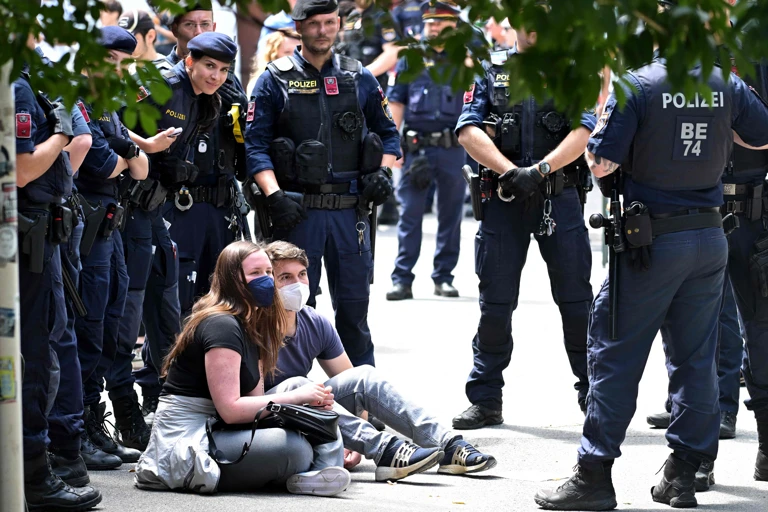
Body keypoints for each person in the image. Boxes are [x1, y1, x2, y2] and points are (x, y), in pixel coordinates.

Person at [534, 3, 768, 509]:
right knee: (696, 359)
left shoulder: (635, 85)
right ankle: (682, 474)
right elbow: (761, 134)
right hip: (709, 236)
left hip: (651, 240)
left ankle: (593, 475)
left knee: (615, 354)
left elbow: (600, 162)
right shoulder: (725, 83)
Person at [452, 12, 594, 429]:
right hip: (504, 197)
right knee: (495, 303)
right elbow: (467, 129)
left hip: (559, 198)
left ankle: (594, 392)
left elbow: (585, 129)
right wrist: (510, 172)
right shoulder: (489, 68)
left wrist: (541, 171)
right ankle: (485, 398)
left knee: (576, 301)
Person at [245, 0, 401, 368]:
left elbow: (388, 134)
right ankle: (285, 399)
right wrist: (275, 195)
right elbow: (255, 147)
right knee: (288, 315)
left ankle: (365, 402)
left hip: (351, 213)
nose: (322, 31)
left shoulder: (358, 76)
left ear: (339, 25)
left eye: (329, 22)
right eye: (313, 24)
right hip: (297, 213)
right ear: (298, 28)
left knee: (354, 314)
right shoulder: (273, 79)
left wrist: (384, 171)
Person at [264, 240, 498, 480]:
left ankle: (448, 446)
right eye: (285, 278)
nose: (298, 284)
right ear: (267, 282)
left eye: (302, 274)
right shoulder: (253, 325)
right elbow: (246, 401)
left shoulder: (314, 321)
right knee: (301, 386)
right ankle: (387, 450)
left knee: (364, 374)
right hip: (263, 416)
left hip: (302, 413)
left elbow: (354, 388)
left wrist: (352, 442)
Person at [134, 241, 350, 496]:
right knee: (294, 447)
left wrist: (305, 405)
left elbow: (255, 403)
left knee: (304, 392)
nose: (267, 280)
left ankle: (322, 473)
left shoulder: (252, 323)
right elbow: (231, 411)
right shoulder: (221, 325)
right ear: (234, 280)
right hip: (190, 439)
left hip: (221, 430)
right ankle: (312, 472)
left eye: (269, 272)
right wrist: (295, 400)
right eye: (255, 273)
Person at [15, 32, 102, 511]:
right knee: (32, 356)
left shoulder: (35, 76)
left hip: (40, 233)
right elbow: (25, 168)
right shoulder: (21, 84)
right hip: (27, 238)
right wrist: (63, 135)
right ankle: (34, 475)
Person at [71, 26, 151, 471]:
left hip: (112, 228)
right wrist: (127, 151)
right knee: (88, 326)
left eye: (125, 63)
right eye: (112, 61)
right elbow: (104, 165)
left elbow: (139, 168)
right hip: (89, 231)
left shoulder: (107, 106)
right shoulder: (80, 102)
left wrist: (127, 150)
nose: (119, 71)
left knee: (111, 324)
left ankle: (92, 424)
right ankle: (79, 427)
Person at [385, 2, 466, 301]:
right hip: (416, 148)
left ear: (454, 26)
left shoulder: (465, 61)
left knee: (450, 215)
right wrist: (393, 145)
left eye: (439, 23)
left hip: (452, 148)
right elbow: (397, 102)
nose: (432, 28)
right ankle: (402, 278)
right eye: (429, 23)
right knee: (410, 215)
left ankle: (443, 277)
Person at [246, 28, 301, 95]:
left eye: (298, 51)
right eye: (287, 52)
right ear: (273, 56)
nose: (294, 56)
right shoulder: (260, 83)